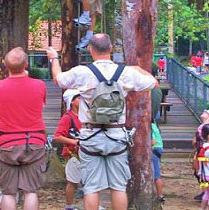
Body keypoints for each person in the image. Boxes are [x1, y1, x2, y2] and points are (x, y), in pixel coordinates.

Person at [46, 33, 157, 210]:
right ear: (111, 48)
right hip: (116, 135)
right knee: (118, 187)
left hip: (91, 135)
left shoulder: (82, 72)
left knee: (91, 187)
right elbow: (153, 83)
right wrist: (136, 68)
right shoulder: (125, 73)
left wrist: (54, 59)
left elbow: (58, 80)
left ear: (90, 49)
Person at [0, 47, 47, 210]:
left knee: (8, 192)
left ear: (6, 66)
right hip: (33, 142)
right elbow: (41, 106)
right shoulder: (39, 85)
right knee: (31, 191)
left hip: (7, 143)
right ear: (27, 64)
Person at [53, 89, 83, 210]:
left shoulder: (86, 116)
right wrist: (73, 142)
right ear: (72, 102)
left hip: (87, 154)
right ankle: (69, 206)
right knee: (72, 181)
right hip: (73, 155)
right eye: (79, 98)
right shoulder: (67, 118)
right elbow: (57, 137)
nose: (82, 100)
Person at [151, 121, 165, 203]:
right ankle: (159, 195)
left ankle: (160, 195)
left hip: (154, 150)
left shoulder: (149, 126)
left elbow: (153, 142)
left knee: (156, 175)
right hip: (157, 150)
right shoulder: (154, 125)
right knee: (156, 174)